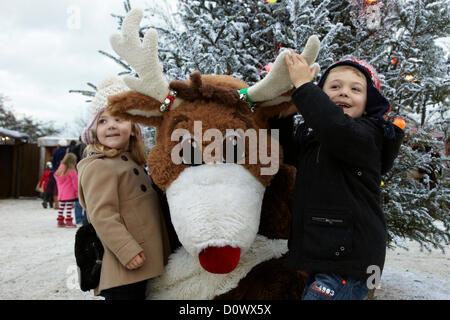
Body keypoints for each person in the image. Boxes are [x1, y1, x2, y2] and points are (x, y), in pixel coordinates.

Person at [273, 52, 404, 300]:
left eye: (356, 89)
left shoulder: (368, 135)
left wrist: (303, 86)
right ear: (322, 96)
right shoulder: (316, 139)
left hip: (351, 260)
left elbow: (335, 127)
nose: (344, 92)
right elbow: (287, 154)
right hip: (326, 256)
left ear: (369, 104)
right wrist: (284, 115)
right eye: (335, 86)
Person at [77, 77, 170, 300]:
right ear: (93, 130)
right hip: (124, 268)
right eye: (102, 121)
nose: (110, 125)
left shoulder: (131, 162)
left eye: (119, 118)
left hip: (143, 263)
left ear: (133, 128)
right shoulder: (100, 166)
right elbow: (102, 215)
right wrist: (127, 250)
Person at [54, 153, 79, 228]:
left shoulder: (60, 168)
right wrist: (77, 191)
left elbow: (57, 178)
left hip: (61, 192)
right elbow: (75, 182)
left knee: (61, 207)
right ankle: (68, 221)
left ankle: (60, 221)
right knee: (69, 207)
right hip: (69, 192)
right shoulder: (72, 171)